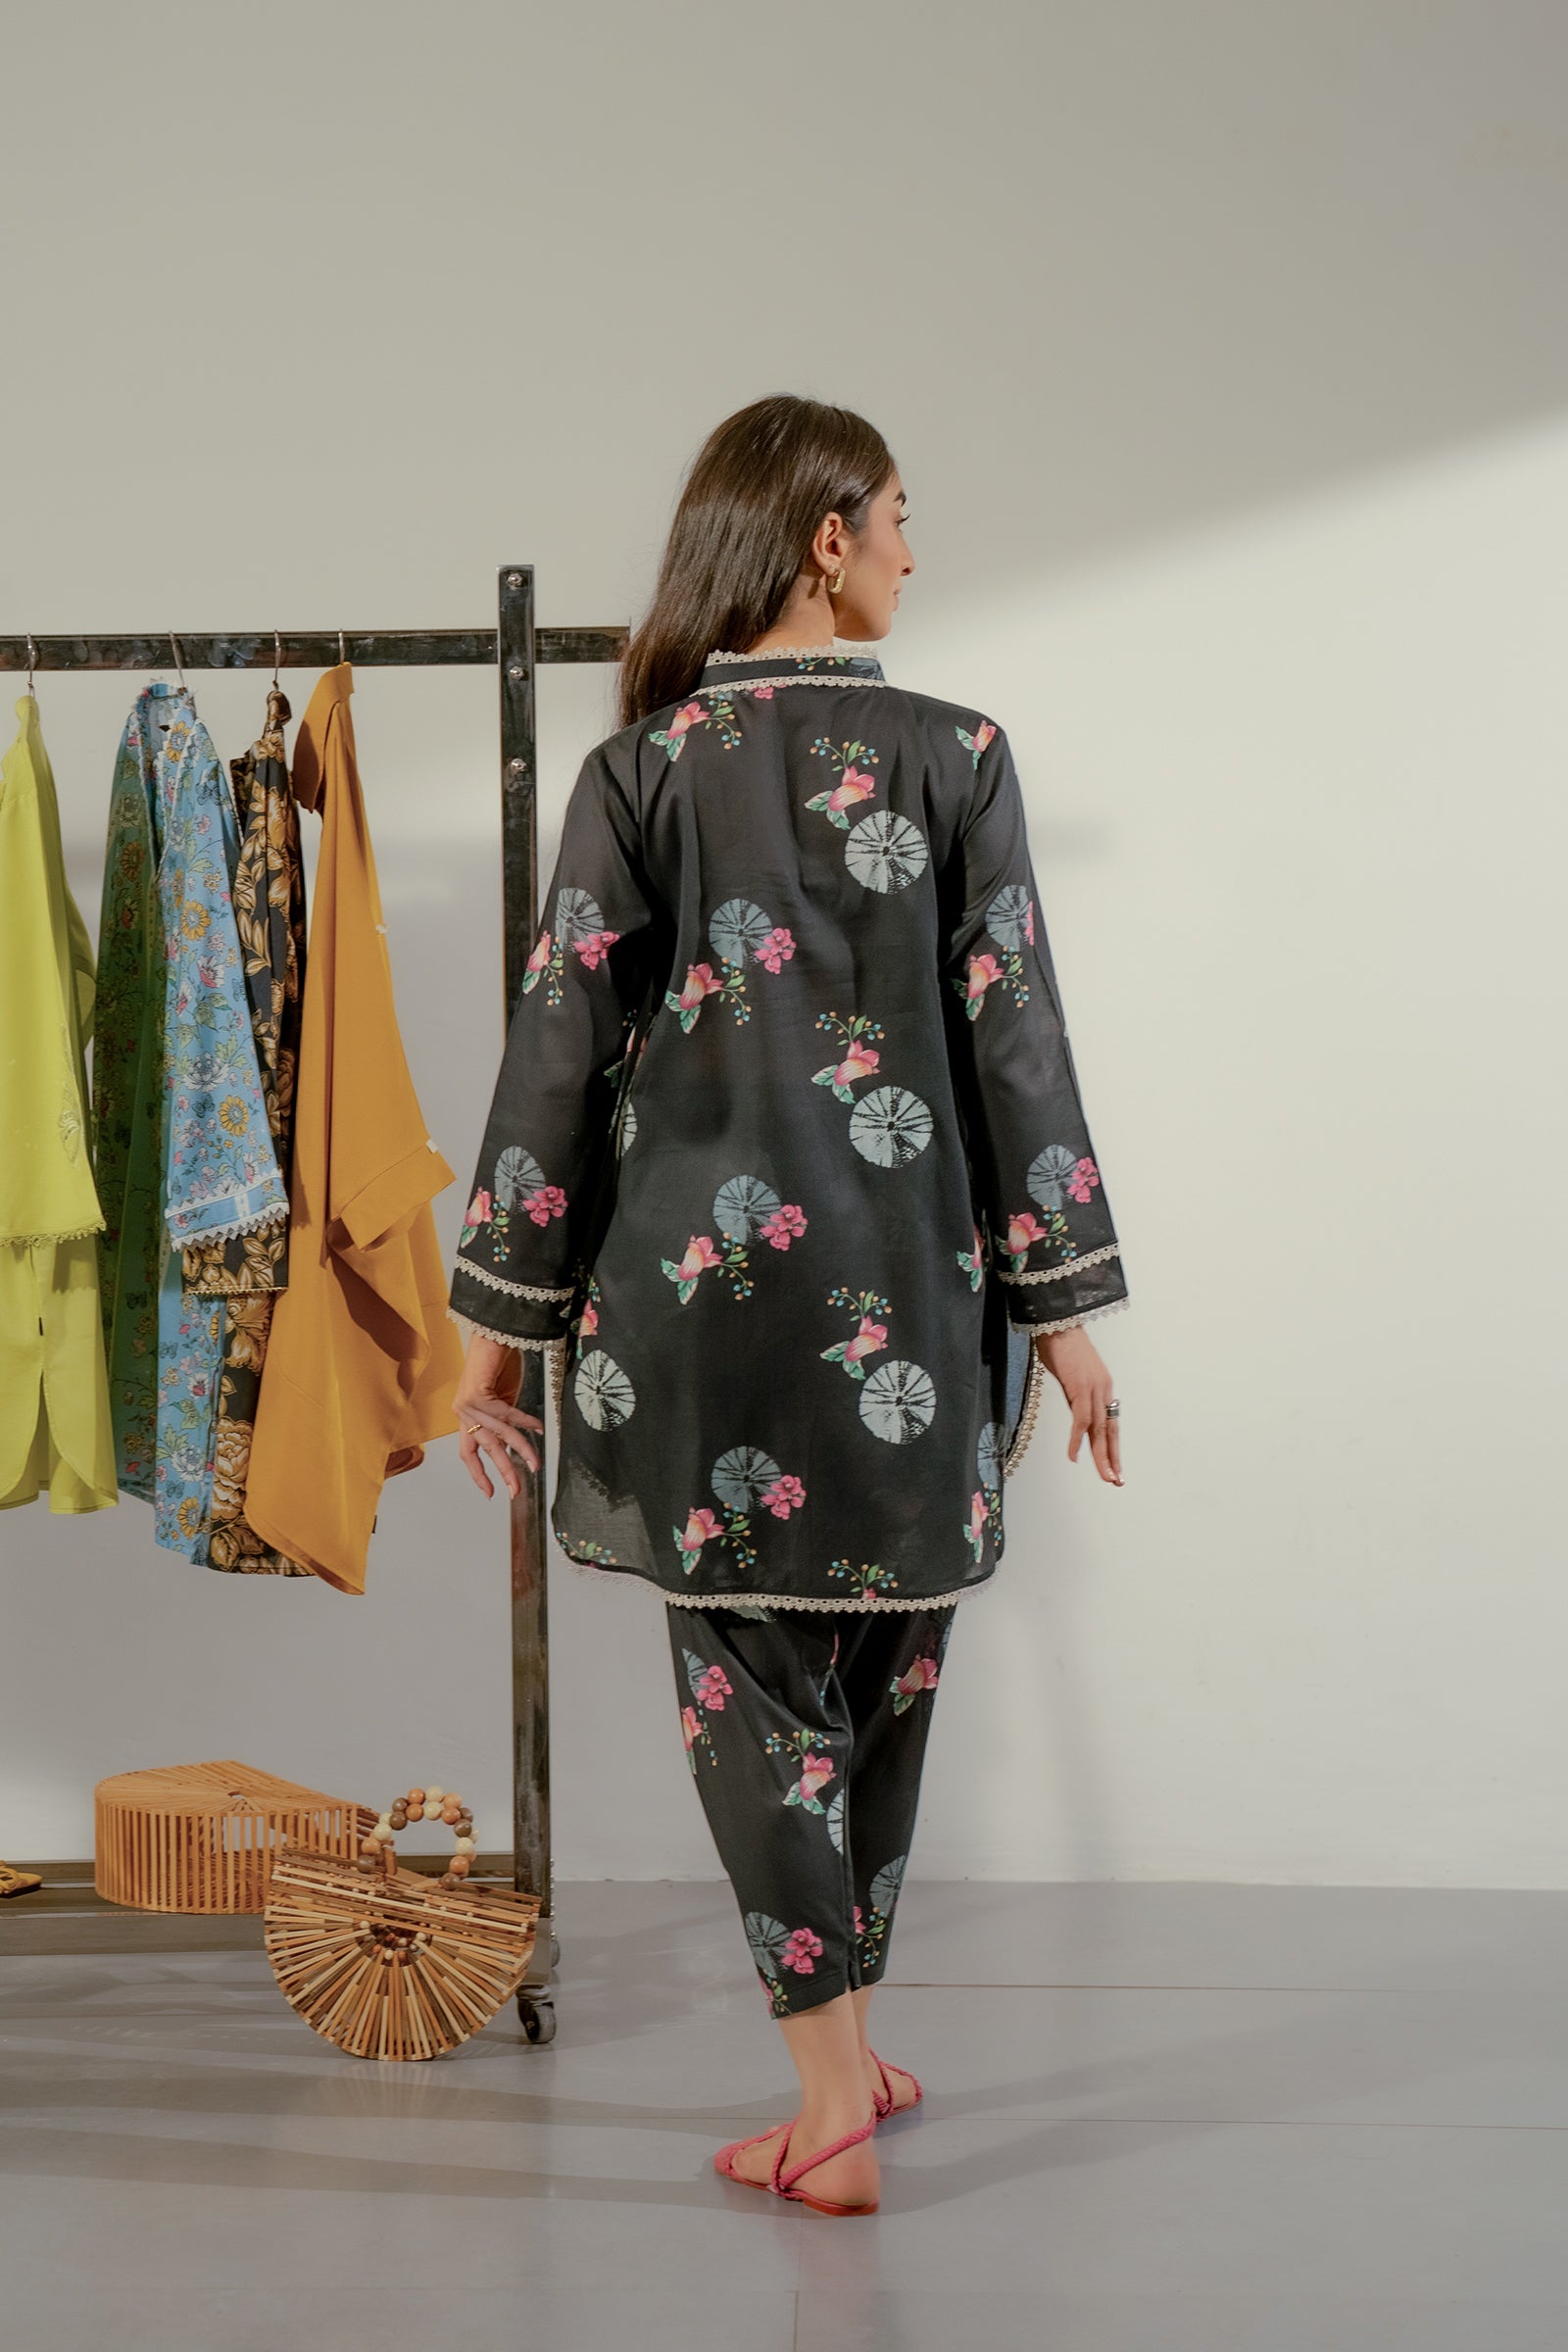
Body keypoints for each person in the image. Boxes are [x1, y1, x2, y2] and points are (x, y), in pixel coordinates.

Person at [449, 395, 1128, 2217]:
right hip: (915, 1306)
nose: (914, 548)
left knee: (750, 1692)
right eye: (899, 515)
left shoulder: (642, 770)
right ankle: (847, 2071)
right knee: (887, 1675)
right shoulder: (963, 755)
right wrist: (1066, 1321)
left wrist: (493, 1335)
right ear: (826, 537)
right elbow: (1018, 1048)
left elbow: (557, 1057)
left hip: (701, 1318)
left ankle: (833, 2094)